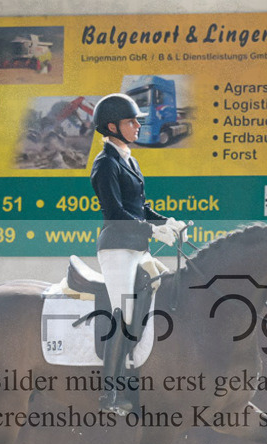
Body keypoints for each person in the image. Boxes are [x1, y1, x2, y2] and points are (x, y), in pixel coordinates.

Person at [90, 92, 185, 415]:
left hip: (137, 249)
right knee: (124, 313)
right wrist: (150, 230)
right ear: (112, 126)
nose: (137, 126)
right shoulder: (105, 163)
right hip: (117, 249)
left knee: (170, 284)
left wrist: (165, 222)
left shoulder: (129, 158)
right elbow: (115, 211)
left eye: (136, 121)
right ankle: (111, 393)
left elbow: (138, 207)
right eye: (131, 122)